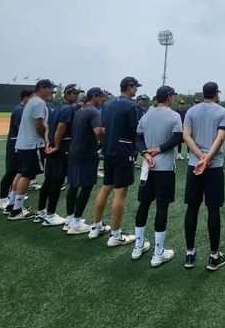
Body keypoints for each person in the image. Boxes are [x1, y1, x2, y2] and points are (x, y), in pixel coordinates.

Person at [88, 76, 142, 246]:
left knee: (105, 188)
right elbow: (136, 131)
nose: (137, 90)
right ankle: (115, 235)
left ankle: (96, 226)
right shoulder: (131, 105)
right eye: (135, 87)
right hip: (123, 151)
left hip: (109, 150)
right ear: (130, 86)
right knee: (120, 192)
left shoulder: (109, 104)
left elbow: (104, 128)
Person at [132, 85, 182, 266]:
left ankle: (138, 247)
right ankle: (158, 253)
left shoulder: (146, 115)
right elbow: (177, 138)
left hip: (147, 168)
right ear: (168, 97)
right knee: (162, 207)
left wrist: (145, 154)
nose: (174, 99)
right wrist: (159, 149)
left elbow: (137, 139)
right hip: (165, 169)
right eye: (173, 96)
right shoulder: (175, 116)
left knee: (143, 205)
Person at [182, 81, 225, 271]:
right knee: (213, 209)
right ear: (216, 94)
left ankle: (189, 254)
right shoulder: (223, 112)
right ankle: (213, 256)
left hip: (195, 165)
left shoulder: (191, 111)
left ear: (203, 94)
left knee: (192, 208)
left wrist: (200, 157)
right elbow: (220, 138)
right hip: (213, 166)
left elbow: (186, 137)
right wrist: (208, 158)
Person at [35, 83, 84, 226]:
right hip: (61, 148)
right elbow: (60, 129)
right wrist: (56, 145)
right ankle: (50, 214)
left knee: (49, 180)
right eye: (74, 93)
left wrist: (48, 143)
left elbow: (49, 127)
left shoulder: (57, 107)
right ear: (67, 94)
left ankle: (41, 212)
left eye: (77, 93)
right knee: (57, 180)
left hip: (53, 146)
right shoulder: (68, 109)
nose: (76, 95)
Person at [7, 79, 56, 220]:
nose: (51, 92)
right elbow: (39, 125)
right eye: (49, 88)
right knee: (26, 175)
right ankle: (17, 210)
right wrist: (46, 140)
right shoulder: (39, 103)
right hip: (32, 144)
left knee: (21, 173)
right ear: (41, 88)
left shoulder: (32, 101)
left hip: (23, 144)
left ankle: (12, 204)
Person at [64, 87, 107, 234]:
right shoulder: (94, 111)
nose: (102, 99)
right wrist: (106, 137)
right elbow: (98, 132)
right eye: (101, 96)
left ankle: (70, 219)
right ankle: (76, 222)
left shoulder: (80, 110)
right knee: (87, 185)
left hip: (74, 151)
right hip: (86, 153)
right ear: (94, 96)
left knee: (73, 185)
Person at [0, 89, 34, 210]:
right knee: (11, 172)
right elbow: (21, 127)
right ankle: (2, 199)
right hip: (14, 144)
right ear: (25, 98)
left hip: (19, 144)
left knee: (17, 171)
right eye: (32, 98)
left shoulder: (23, 110)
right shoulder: (19, 110)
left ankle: (13, 195)